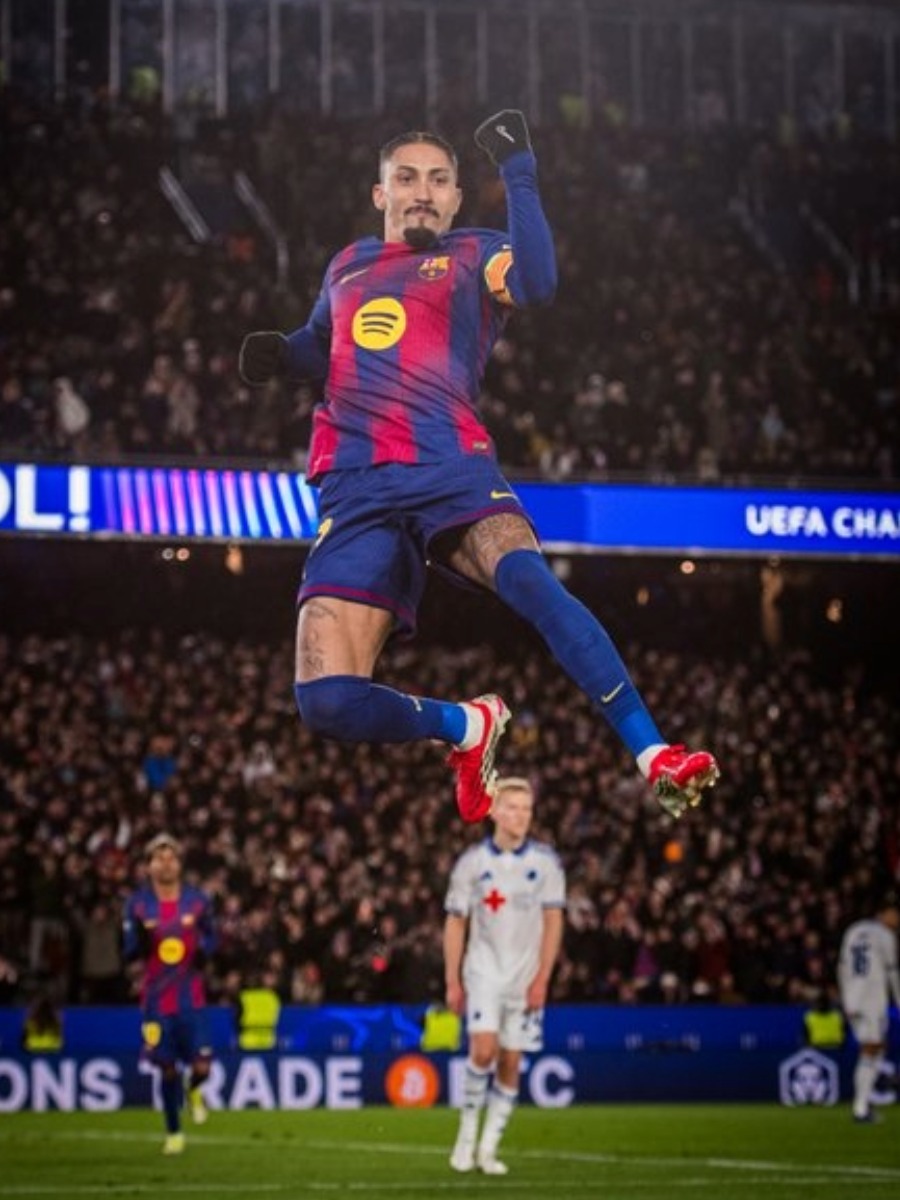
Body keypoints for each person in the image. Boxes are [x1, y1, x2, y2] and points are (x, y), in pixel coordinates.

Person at [239, 110, 719, 823]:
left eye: (439, 180)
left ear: (458, 197)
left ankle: (654, 753)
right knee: (327, 702)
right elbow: (322, 342)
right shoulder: (346, 264)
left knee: (529, 581)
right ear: (380, 193)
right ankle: (466, 724)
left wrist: (519, 173)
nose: (423, 192)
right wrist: (283, 354)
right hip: (353, 486)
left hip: (447, 466)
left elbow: (538, 283)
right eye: (408, 178)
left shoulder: (474, 251)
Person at [443, 776, 565, 1175]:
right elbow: (455, 922)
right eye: (512, 807)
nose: (521, 816)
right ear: (494, 811)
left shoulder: (546, 864)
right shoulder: (472, 863)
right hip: (484, 971)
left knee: (511, 1063)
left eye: (526, 809)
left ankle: (488, 1149)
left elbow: (553, 921)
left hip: (525, 977)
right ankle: (465, 1137)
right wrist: (452, 979)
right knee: (483, 1051)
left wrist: (543, 978)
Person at [122, 833, 216, 1154]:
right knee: (167, 1067)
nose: (165, 864)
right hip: (156, 1001)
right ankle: (174, 1132)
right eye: (158, 858)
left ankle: (194, 1089)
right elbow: (129, 951)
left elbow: (212, 936)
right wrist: (138, 942)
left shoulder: (198, 900)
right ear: (148, 866)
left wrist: (204, 950)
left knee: (202, 1066)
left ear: (180, 864)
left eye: (171, 858)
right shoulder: (137, 904)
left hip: (192, 998)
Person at [837, 899, 900, 1123]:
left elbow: (842, 967)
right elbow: (892, 971)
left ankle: (864, 1102)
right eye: (895, 914)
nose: (897, 920)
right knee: (871, 1049)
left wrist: (845, 998)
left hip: (852, 997)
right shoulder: (885, 935)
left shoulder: (853, 930)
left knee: (876, 1049)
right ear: (883, 913)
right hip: (872, 998)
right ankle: (860, 1108)